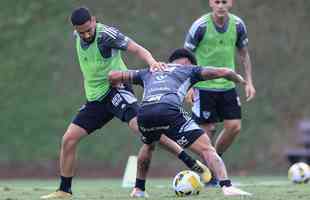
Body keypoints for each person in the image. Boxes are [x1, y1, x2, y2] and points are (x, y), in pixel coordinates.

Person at [40, 7, 165, 199]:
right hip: (96, 100)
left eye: (89, 29)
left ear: (94, 20)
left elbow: (137, 48)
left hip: (116, 89)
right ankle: (64, 190)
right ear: (75, 29)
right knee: (68, 139)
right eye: (81, 32)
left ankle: (187, 156)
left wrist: (152, 62)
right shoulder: (78, 34)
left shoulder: (106, 35)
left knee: (143, 128)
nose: (86, 34)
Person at [108, 48, 252, 197]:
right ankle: (226, 186)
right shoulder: (190, 70)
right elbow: (223, 72)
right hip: (169, 110)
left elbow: (113, 76)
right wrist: (238, 79)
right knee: (206, 148)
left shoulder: (150, 70)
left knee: (148, 145)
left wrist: (116, 84)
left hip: (144, 113)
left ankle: (138, 189)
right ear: (189, 63)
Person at [184, 0, 256, 158]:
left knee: (234, 126)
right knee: (207, 131)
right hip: (203, 86)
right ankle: (210, 172)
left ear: (231, 3)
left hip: (227, 85)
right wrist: (188, 86)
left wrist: (249, 82)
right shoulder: (200, 26)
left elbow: (243, 53)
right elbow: (186, 58)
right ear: (211, 3)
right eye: (217, 2)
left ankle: (215, 160)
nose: (221, 5)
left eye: (224, 2)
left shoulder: (238, 25)